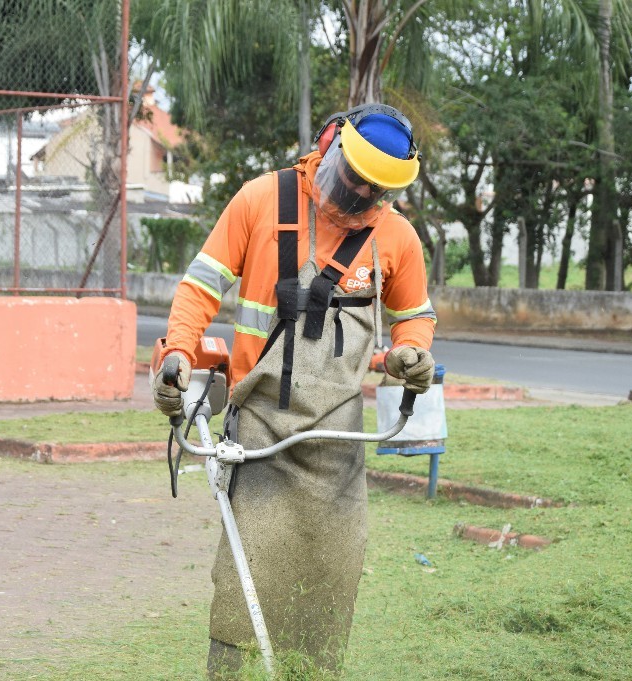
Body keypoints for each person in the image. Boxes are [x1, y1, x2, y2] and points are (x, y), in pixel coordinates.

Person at [152, 103, 437, 677]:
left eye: (373, 192)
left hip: (338, 439)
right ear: (329, 146)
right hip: (259, 430)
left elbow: (414, 315)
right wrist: (179, 352)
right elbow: (200, 288)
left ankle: (315, 671)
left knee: (333, 573)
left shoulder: (397, 237)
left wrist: (412, 352)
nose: (356, 198)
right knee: (243, 572)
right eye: (349, 180)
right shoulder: (261, 200)